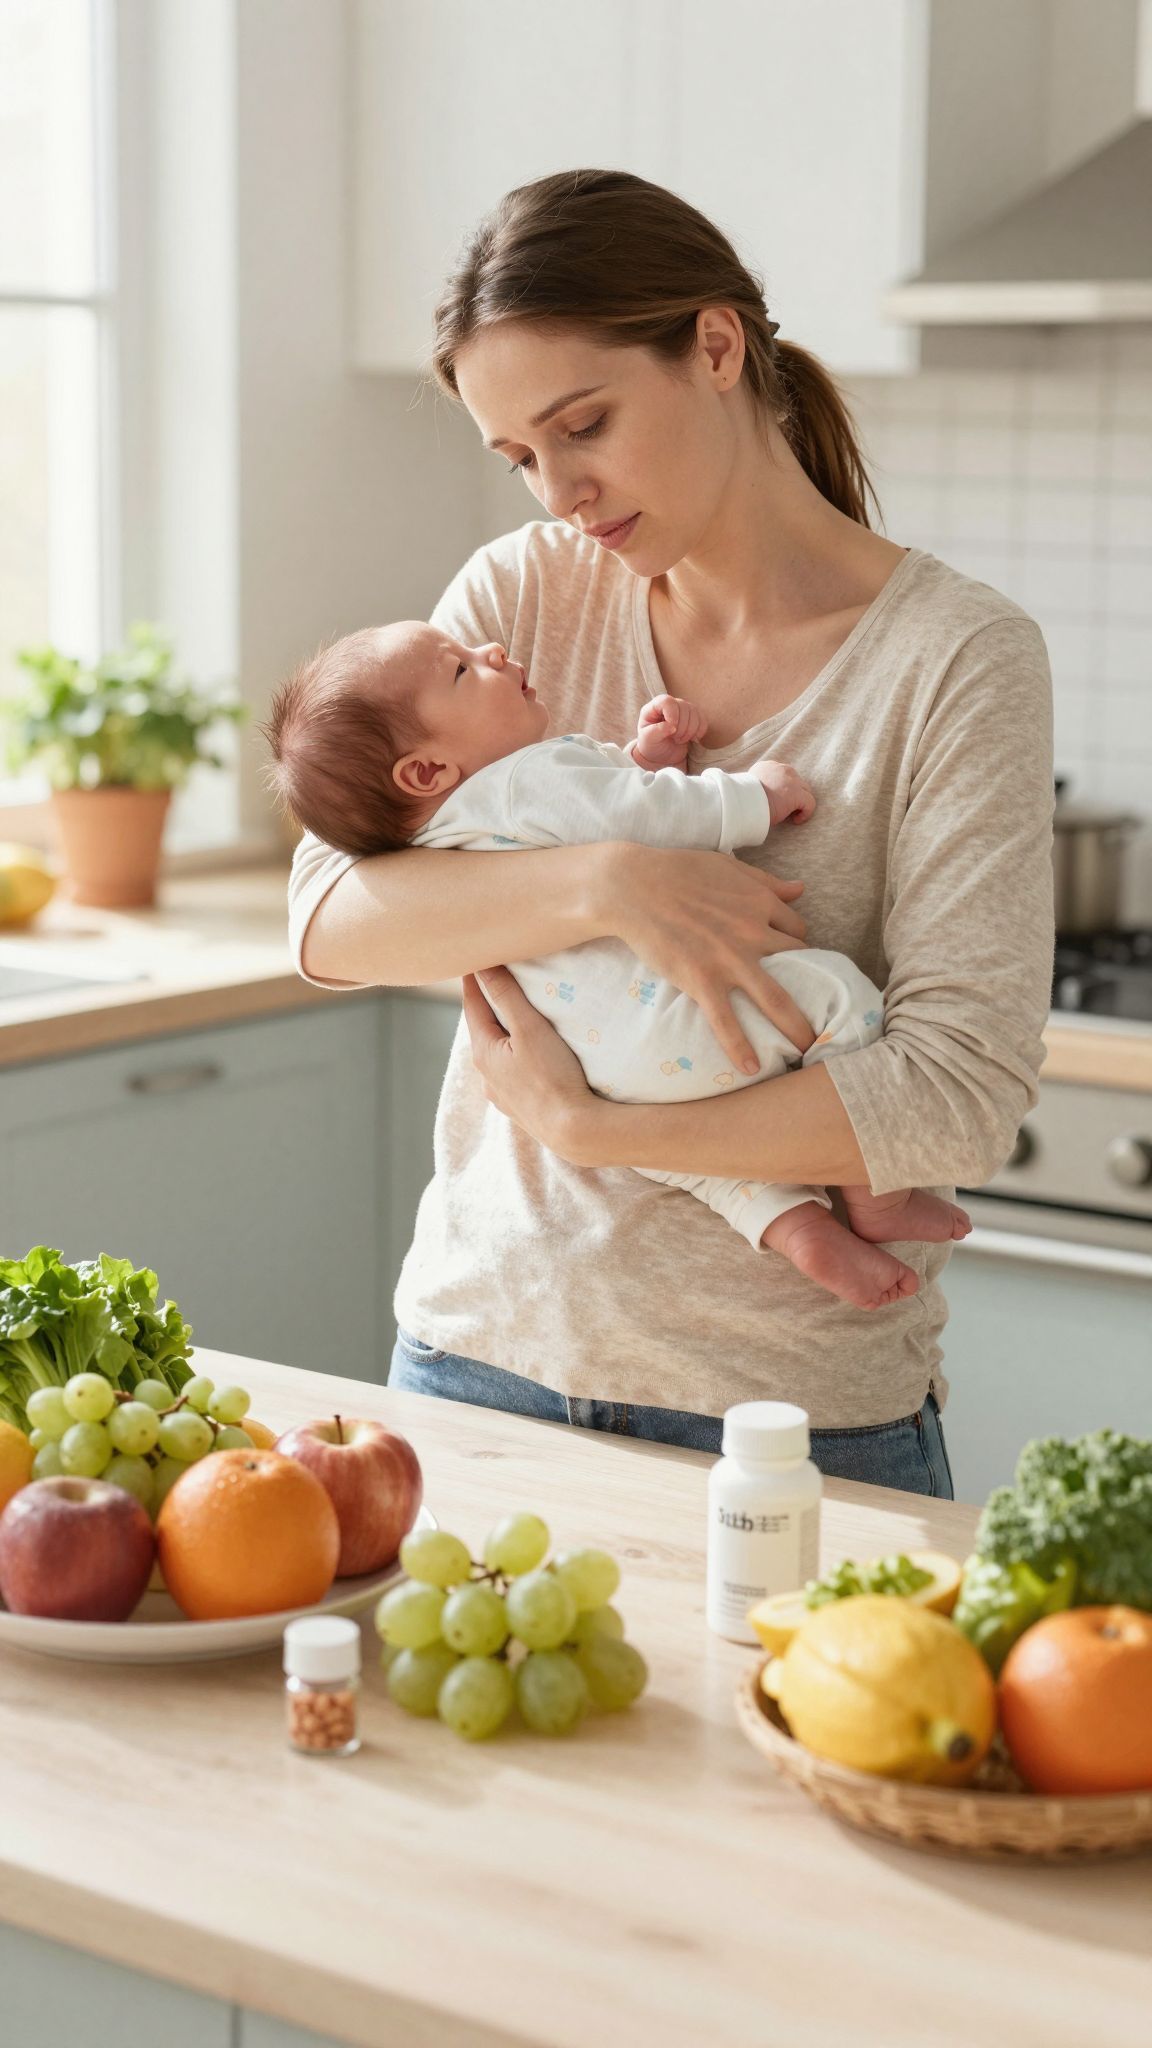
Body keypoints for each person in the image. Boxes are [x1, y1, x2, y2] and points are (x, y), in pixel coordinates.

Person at [287, 169, 1054, 1495]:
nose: (559, 495)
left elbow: (958, 1098)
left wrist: (596, 1132)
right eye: (521, 457)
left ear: (714, 347)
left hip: (793, 1427)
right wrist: (614, 876)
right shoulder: (521, 600)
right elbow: (332, 920)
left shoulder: (956, 659)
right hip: (476, 1366)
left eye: (583, 426)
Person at [264, 621, 972, 1309]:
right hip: (682, 1018)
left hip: (600, 1068)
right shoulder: (522, 779)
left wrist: (647, 764)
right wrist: (755, 794)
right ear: (425, 769)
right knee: (840, 997)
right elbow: (644, 818)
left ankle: (796, 1226)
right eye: (460, 668)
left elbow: (597, 812)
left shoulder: (442, 834)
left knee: (692, 1156)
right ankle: (873, 1196)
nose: (491, 649)